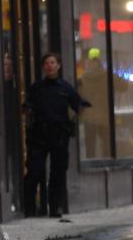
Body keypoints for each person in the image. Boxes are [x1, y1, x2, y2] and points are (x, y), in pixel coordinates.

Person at [23, 53, 88, 218]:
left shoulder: (65, 88)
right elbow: (26, 107)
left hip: (59, 135)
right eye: (46, 63)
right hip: (38, 135)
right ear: (43, 67)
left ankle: (55, 207)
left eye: (52, 63)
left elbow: (78, 105)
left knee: (57, 173)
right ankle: (29, 208)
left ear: (58, 65)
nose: (49, 66)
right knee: (35, 171)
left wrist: (73, 120)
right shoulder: (36, 88)